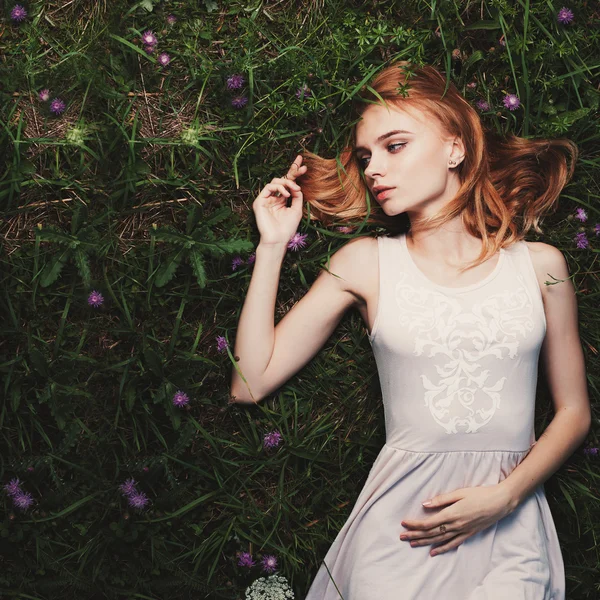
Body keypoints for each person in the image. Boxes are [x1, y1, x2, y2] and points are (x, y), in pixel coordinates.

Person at [229, 61, 591, 599]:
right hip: (402, 529)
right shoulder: (365, 264)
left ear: (455, 148)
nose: (374, 169)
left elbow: (574, 412)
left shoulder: (541, 266)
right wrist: (273, 244)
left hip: (509, 529)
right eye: (366, 156)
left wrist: (507, 496)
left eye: (394, 146)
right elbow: (249, 382)